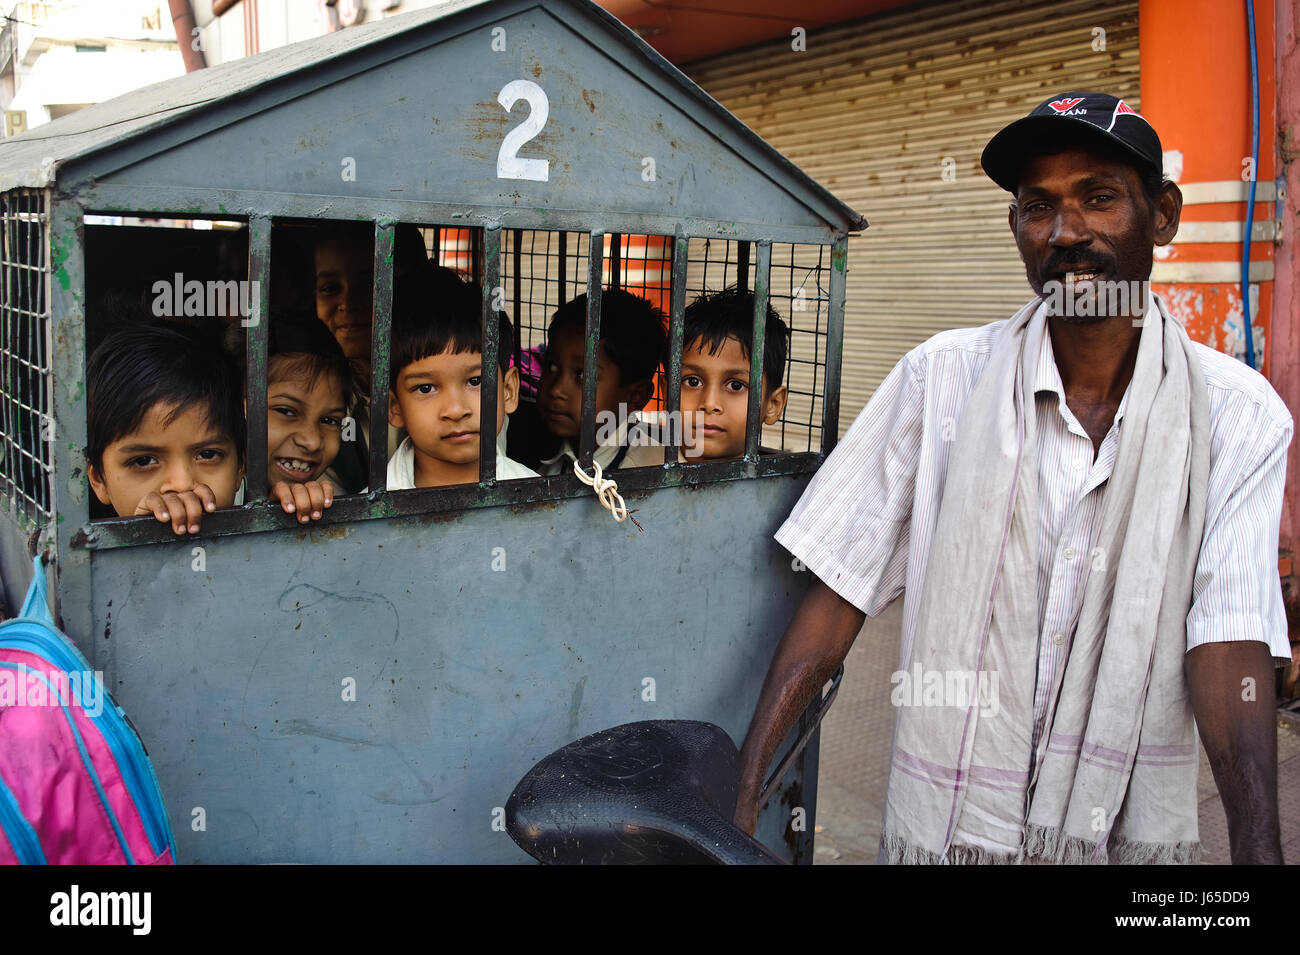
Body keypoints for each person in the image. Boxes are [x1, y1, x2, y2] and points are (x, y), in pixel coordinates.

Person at [734, 92, 1293, 865]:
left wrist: (1259, 854)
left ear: (1161, 214)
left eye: (1098, 196)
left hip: (1116, 839)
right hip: (948, 832)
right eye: (1039, 207)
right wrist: (744, 789)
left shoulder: (1237, 417)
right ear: (1017, 228)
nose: (1067, 232)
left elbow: (1228, 643)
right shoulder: (939, 382)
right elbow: (836, 594)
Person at [86, 321, 245, 536]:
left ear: (240, 468)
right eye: (144, 461)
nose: (182, 484)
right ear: (99, 480)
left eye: (207, 455)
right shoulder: (78, 566)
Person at [386, 265, 538, 489]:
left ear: (509, 391)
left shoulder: (538, 498)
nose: (456, 410)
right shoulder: (364, 514)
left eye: (475, 381)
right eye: (425, 388)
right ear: (394, 407)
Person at [517, 289, 667, 474]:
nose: (556, 390)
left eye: (582, 375)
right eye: (552, 367)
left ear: (635, 396)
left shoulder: (654, 471)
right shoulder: (533, 455)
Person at [266, 312, 356, 522]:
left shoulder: (330, 505)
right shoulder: (188, 496)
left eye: (329, 421)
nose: (312, 442)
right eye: (286, 411)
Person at [680, 287, 789, 460]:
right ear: (666, 392)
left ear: (773, 404)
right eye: (693, 382)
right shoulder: (633, 471)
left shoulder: (793, 487)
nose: (709, 404)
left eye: (736, 385)